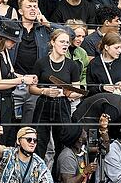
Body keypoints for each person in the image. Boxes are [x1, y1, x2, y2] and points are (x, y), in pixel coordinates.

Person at [29, 29, 84, 160]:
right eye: (62, 41)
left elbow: (77, 91)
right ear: (53, 42)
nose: (65, 45)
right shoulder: (41, 62)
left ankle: (58, 178)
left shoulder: (72, 65)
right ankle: (38, 177)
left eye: (67, 42)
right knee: (39, 141)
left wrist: (67, 93)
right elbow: (31, 88)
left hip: (62, 104)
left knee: (63, 142)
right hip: (44, 103)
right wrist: (45, 91)